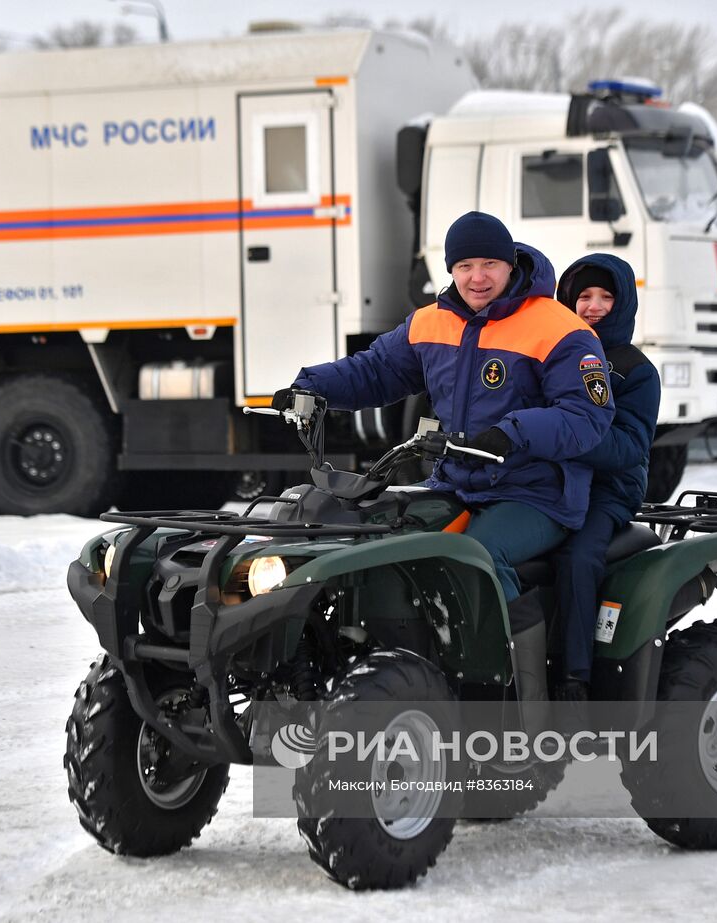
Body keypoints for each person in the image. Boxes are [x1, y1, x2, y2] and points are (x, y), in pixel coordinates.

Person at [276, 211, 614, 705]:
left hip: (536, 492)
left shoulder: (559, 328)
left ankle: (520, 702)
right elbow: (376, 371)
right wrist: (310, 386)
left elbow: (588, 416)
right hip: (456, 483)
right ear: (451, 268)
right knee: (384, 539)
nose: (478, 277)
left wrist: (511, 433)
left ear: (510, 263)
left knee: (478, 558)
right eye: (466, 265)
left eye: (490, 264)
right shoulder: (431, 322)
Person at [551, 254, 661, 702]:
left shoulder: (636, 371)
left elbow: (631, 445)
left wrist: (564, 439)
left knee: (578, 558)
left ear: (623, 303)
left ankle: (574, 678)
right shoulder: (553, 354)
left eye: (605, 296)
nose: (594, 306)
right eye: (583, 296)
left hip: (608, 489)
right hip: (548, 481)